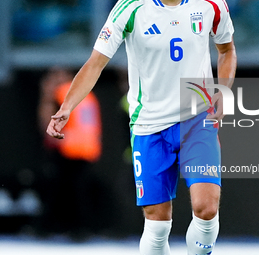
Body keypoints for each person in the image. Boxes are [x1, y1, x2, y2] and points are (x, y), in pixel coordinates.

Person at [47, 0, 236, 254]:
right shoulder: (130, 8)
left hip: (197, 120)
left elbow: (227, 51)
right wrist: (67, 106)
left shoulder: (211, 5)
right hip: (149, 126)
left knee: (207, 209)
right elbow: (96, 63)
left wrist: (222, 91)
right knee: (157, 224)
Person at [39, 67, 102, 238]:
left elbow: (48, 121)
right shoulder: (87, 94)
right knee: (79, 190)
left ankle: (52, 227)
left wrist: (46, 94)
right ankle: (80, 228)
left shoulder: (63, 92)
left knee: (61, 189)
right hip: (87, 147)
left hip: (68, 147)